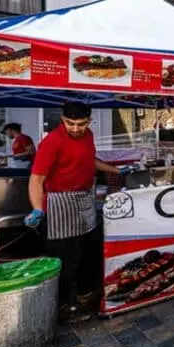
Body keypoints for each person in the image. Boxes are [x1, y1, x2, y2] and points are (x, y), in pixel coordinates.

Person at [26, 102, 124, 320]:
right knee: (64, 260)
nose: (76, 128)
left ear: (89, 121)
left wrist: (116, 169)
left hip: (84, 201)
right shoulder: (52, 142)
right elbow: (36, 179)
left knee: (87, 253)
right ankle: (61, 308)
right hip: (60, 204)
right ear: (62, 120)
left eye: (81, 124)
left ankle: (85, 298)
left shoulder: (87, 136)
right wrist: (37, 209)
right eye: (70, 124)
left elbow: (90, 160)